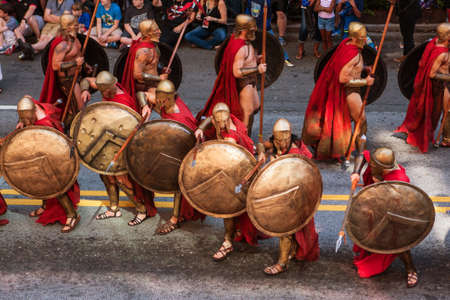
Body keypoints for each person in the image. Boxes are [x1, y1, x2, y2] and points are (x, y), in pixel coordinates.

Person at [80, 71, 157, 226]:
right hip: (107, 138)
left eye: (105, 91)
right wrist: (85, 90)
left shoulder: (123, 103)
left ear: (111, 87)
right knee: (105, 175)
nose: (103, 94)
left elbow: (130, 131)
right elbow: (86, 80)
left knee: (123, 180)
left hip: (122, 144)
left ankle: (142, 211)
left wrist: (120, 158)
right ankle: (114, 208)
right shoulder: (106, 84)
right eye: (101, 91)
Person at [195, 102, 263, 261]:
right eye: (217, 122)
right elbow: (210, 119)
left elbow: (223, 159)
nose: (218, 125)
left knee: (228, 208)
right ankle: (235, 233)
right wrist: (200, 128)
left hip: (236, 170)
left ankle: (227, 241)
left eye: (221, 123)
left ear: (226, 121)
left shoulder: (231, 138)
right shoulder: (226, 117)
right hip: (231, 164)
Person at [137, 80, 204, 234]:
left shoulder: (181, 118)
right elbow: (142, 93)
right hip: (171, 140)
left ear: (168, 99)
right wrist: (144, 105)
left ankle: (175, 218)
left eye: (160, 100)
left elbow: (185, 142)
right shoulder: (165, 100)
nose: (158, 102)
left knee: (178, 182)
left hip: (183, 149)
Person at [302, 22, 374, 161]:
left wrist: (364, 68)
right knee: (361, 121)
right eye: (363, 37)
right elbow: (343, 78)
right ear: (355, 38)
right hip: (350, 91)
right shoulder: (353, 55)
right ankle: (360, 153)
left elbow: (349, 67)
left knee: (359, 121)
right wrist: (366, 81)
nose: (365, 40)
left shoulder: (346, 45)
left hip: (347, 91)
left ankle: (356, 149)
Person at [255, 118, 319, 275]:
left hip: (296, 193)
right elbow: (261, 144)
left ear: (290, 136)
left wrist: (278, 164)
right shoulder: (276, 142)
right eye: (278, 140)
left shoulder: (296, 152)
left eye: (284, 140)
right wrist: (262, 152)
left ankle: (282, 263)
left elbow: (301, 177)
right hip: (282, 190)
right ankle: (293, 250)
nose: (282, 144)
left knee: (286, 230)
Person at [350, 147, 419, 288]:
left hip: (392, 212)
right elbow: (363, 154)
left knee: (398, 241)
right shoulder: (380, 164)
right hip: (375, 205)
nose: (371, 166)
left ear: (383, 168)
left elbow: (397, 205)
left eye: (374, 166)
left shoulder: (400, 180)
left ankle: (411, 269)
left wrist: (378, 186)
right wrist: (356, 172)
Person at [15, 95, 81, 233]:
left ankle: (72, 215)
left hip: (54, 155)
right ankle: (45, 206)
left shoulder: (46, 125)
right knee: (40, 179)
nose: (27, 122)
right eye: (24, 118)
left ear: (34, 112)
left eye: (28, 119)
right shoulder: (30, 104)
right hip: (41, 153)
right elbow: (27, 97)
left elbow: (57, 147)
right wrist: (21, 121)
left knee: (55, 185)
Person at [197, 14, 266, 135]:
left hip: (251, 81)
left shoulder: (242, 42)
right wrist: (257, 69)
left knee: (255, 106)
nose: (254, 30)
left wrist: (256, 58)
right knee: (247, 112)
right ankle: (244, 140)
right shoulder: (240, 47)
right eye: (251, 28)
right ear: (244, 30)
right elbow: (237, 72)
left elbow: (246, 60)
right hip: (245, 83)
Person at [395, 23, 450, 152]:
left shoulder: (436, 44)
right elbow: (431, 74)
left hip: (443, 85)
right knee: (441, 112)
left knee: (446, 111)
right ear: (447, 36)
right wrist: (448, 78)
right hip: (439, 86)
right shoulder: (441, 54)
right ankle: (445, 139)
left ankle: (447, 138)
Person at [39, 14, 88, 128]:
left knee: (74, 106)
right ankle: (75, 132)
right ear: (68, 27)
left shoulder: (74, 38)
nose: (77, 25)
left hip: (77, 75)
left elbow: (78, 55)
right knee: (79, 108)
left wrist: (85, 65)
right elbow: (55, 65)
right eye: (74, 24)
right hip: (67, 80)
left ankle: (68, 127)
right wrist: (75, 63)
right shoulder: (62, 45)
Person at [120, 19, 167, 102]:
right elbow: (137, 74)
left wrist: (162, 69)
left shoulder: (153, 45)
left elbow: (151, 64)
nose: (160, 32)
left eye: (158, 29)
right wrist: (158, 78)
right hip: (145, 87)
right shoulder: (143, 52)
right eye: (156, 30)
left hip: (154, 83)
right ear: (147, 34)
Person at [245, 0, 294, 67]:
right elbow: (248, 12)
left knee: (274, 42)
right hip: (253, 25)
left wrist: (266, 24)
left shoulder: (266, 1)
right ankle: (252, 60)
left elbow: (268, 14)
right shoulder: (250, 1)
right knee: (252, 43)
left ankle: (284, 57)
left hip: (265, 26)